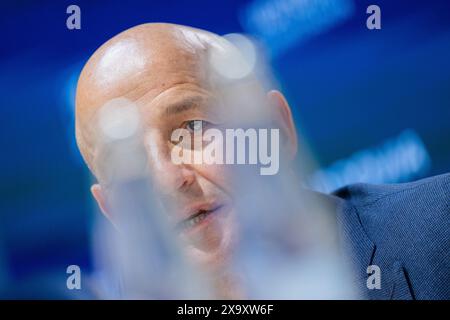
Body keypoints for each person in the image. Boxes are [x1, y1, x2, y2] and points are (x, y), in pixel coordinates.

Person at [75, 23, 450, 299]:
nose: (168, 180)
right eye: (128, 164)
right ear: (111, 209)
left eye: (190, 128)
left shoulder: (440, 226)